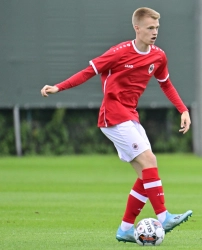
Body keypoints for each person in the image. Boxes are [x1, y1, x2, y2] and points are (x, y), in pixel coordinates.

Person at [41, 7, 192, 243]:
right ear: (137, 28)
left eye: (157, 28)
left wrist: (183, 109)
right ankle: (163, 216)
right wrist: (59, 87)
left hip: (130, 116)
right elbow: (87, 72)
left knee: (147, 174)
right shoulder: (118, 52)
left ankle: (124, 229)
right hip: (113, 116)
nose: (155, 32)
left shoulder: (159, 56)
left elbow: (166, 84)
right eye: (150, 28)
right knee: (150, 162)